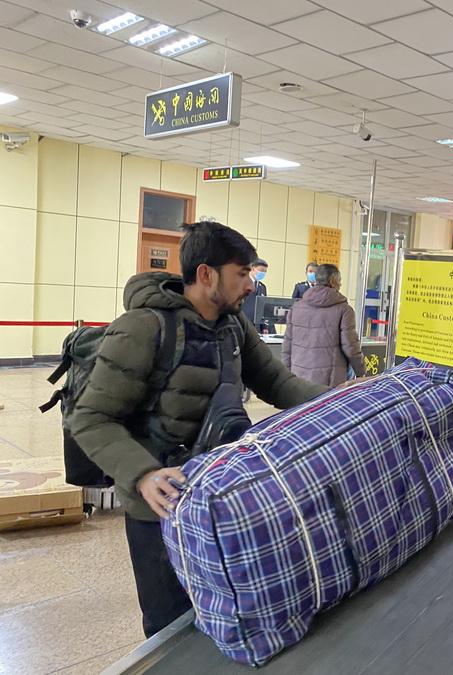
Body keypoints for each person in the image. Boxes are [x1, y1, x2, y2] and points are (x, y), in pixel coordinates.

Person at [68, 222, 329, 639]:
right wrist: (143, 474)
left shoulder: (233, 326)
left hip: (218, 498)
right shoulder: (143, 328)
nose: (251, 284)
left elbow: (278, 383)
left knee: (227, 614)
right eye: (241, 273)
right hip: (159, 510)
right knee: (169, 624)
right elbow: (90, 417)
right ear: (206, 274)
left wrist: (337, 399)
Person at [283, 264, 365, 387]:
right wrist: (360, 372)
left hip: (299, 379)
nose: (340, 284)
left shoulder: (296, 308)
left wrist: (287, 376)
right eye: (339, 281)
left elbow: (287, 346)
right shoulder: (344, 310)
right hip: (329, 381)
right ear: (333, 281)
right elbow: (350, 347)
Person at [241, 258, 268, 328]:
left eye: (265, 271)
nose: (263, 273)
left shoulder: (262, 287)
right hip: (242, 324)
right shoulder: (242, 284)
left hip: (256, 327)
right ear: (253, 269)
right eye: (261, 270)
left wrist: (264, 327)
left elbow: (263, 308)